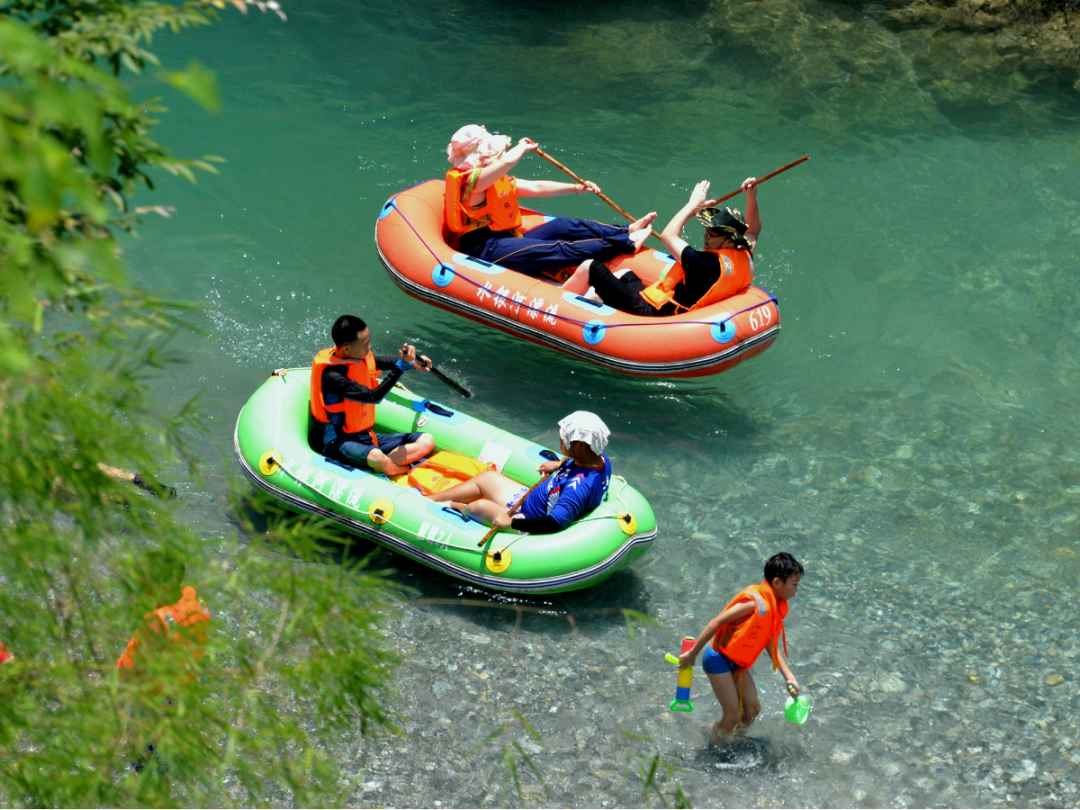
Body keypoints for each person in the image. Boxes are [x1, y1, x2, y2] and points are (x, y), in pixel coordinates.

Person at [444, 125, 657, 277]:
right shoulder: (471, 183)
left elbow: (536, 188)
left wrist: (575, 188)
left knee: (563, 224)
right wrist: (522, 147)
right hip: (487, 249)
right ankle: (627, 244)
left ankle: (626, 230)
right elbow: (509, 160)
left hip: (509, 238)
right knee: (558, 248)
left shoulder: (494, 179)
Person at [561, 178, 760, 316]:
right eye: (706, 230)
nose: (705, 236)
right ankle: (592, 304)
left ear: (729, 239)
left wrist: (691, 205)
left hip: (654, 312)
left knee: (590, 266)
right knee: (625, 274)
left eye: (712, 233)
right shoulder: (744, 253)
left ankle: (557, 303)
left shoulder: (705, 265)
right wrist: (751, 198)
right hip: (666, 305)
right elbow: (754, 230)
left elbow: (668, 235)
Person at [678, 552, 802, 737]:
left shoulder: (773, 607)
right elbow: (716, 622)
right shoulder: (753, 604)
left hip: (736, 663)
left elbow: (770, 642)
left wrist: (788, 676)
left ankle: (735, 739)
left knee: (752, 709)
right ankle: (717, 745)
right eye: (794, 584)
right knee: (733, 715)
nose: (796, 590)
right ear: (777, 583)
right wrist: (692, 654)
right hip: (717, 659)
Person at [428, 411, 611, 534]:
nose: (560, 439)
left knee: (479, 507)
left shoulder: (576, 488)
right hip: (528, 500)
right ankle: (432, 499)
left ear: (580, 445)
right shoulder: (600, 459)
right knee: (487, 478)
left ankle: (457, 507)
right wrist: (558, 465)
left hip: (528, 520)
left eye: (564, 436)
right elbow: (581, 467)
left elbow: (555, 522)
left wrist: (512, 523)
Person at [310, 315, 436, 475]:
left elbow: (383, 362)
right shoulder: (333, 376)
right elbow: (373, 397)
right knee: (376, 456)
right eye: (365, 344)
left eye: (369, 341)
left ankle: (383, 467)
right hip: (340, 442)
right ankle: (397, 470)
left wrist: (412, 363)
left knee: (426, 440)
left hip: (364, 436)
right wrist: (400, 367)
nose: (369, 347)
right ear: (347, 349)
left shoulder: (356, 357)